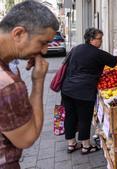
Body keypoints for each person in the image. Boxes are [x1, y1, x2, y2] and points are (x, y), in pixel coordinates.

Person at [61, 28, 117, 155]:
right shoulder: (97, 53)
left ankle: (71, 144)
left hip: (67, 88)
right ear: (91, 39)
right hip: (83, 90)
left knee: (70, 116)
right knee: (84, 117)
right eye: (99, 39)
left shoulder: (76, 49)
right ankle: (86, 146)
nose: (101, 41)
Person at [0, 1, 59, 168]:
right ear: (18, 34)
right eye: (42, 42)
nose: (45, 51)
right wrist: (38, 81)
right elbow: (28, 137)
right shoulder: (7, 84)